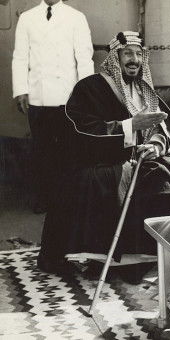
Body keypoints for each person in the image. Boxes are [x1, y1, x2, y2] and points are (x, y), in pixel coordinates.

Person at [37, 31, 170, 282]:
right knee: (113, 177)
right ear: (114, 58)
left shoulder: (145, 90)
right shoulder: (90, 88)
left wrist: (155, 144)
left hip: (143, 160)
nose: (134, 59)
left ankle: (134, 261)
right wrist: (130, 126)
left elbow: (164, 128)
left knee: (161, 174)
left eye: (138, 54)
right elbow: (79, 131)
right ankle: (105, 259)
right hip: (98, 161)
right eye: (127, 53)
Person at [12, 0, 94, 213]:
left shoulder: (76, 18)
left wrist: (86, 95)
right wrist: (21, 89)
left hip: (68, 98)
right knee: (42, 150)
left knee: (69, 150)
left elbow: (84, 60)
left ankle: (68, 201)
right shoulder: (27, 18)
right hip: (38, 96)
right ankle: (44, 198)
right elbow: (20, 58)